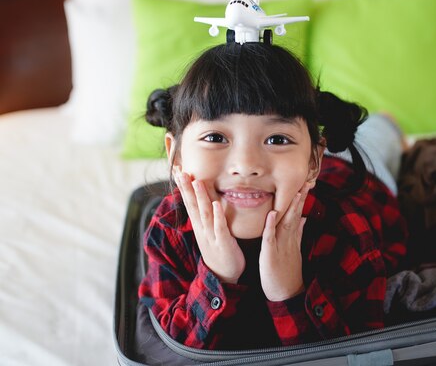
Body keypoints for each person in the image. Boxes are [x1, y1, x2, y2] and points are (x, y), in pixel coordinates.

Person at [138, 41, 408, 350]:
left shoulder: (347, 232)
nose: (246, 165)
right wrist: (219, 276)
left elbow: (356, 353)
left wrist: (290, 291)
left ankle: (387, 124)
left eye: (277, 138)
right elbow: (170, 345)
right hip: (295, 175)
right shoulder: (170, 227)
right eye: (215, 137)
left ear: (313, 160)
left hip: (357, 179)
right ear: (177, 157)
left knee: (379, 137)